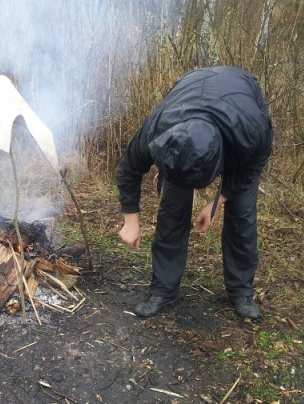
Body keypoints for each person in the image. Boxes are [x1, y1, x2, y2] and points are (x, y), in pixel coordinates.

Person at [116, 66, 273, 319]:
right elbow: (128, 168)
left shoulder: (251, 132)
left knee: (242, 214)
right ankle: (163, 289)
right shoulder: (159, 130)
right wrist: (131, 220)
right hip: (188, 103)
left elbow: (252, 169)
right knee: (173, 208)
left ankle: (241, 289)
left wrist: (217, 201)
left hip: (238, 101)